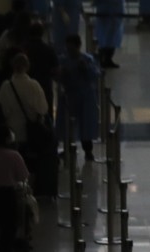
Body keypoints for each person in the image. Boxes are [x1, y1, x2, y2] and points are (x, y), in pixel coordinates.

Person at [56, 33, 100, 161]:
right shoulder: (63, 60)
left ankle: (88, 150)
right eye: (68, 48)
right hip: (70, 95)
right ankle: (68, 148)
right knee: (66, 124)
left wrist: (85, 69)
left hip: (85, 96)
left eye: (72, 48)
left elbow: (95, 74)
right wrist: (61, 74)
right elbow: (57, 76)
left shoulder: (87, 59)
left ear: (78, 46)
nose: (69, 51)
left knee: (86, 124)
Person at [0, 52, 50, 153]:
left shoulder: (6, 86)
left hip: (13, 134)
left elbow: (2, 111)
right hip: (32, 135)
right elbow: (43, 109)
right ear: (27, 66)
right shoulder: (34, 85)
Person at [93, 0, 124, 67]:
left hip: (115, 13)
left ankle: (108, 59)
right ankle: (102, 59)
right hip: (105, 13)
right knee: (104, 38)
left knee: (112, 38)